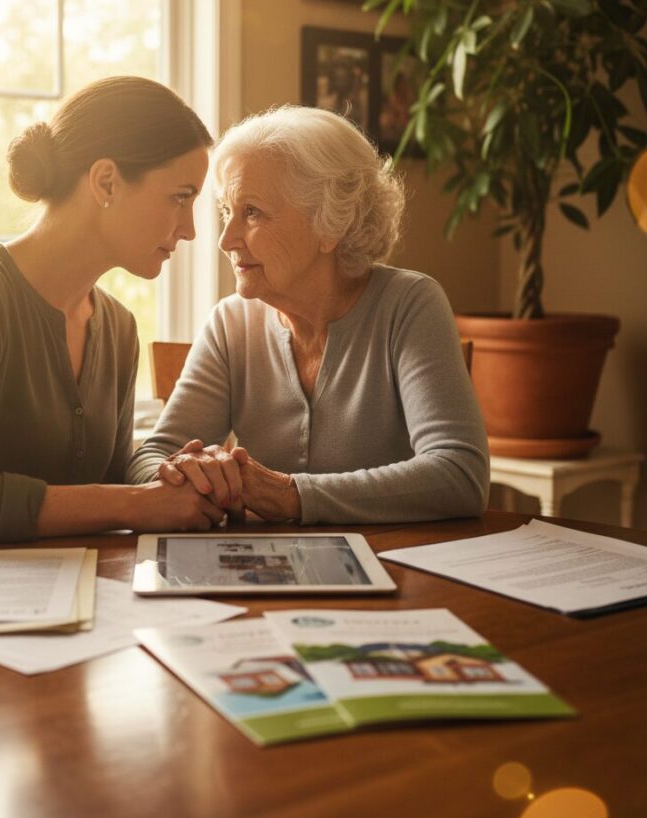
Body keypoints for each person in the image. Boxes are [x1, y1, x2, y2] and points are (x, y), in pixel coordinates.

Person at [0, 76, 226, 543]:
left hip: (53, 595)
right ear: (106, 180)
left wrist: (182, 478)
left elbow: (108, 487)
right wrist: (136, 502)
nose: (190, 229)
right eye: (180, 196)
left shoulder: (118, 329)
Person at [127, 105, 489, 524]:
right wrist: (185, 472)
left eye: (252, 212)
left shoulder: (408, 305)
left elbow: (461, 474)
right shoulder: (231, 324)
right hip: (261, 576)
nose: (226, 240)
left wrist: (290, 495)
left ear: (330, 224)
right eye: (228, 212)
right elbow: (151, 457)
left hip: (396, 572)